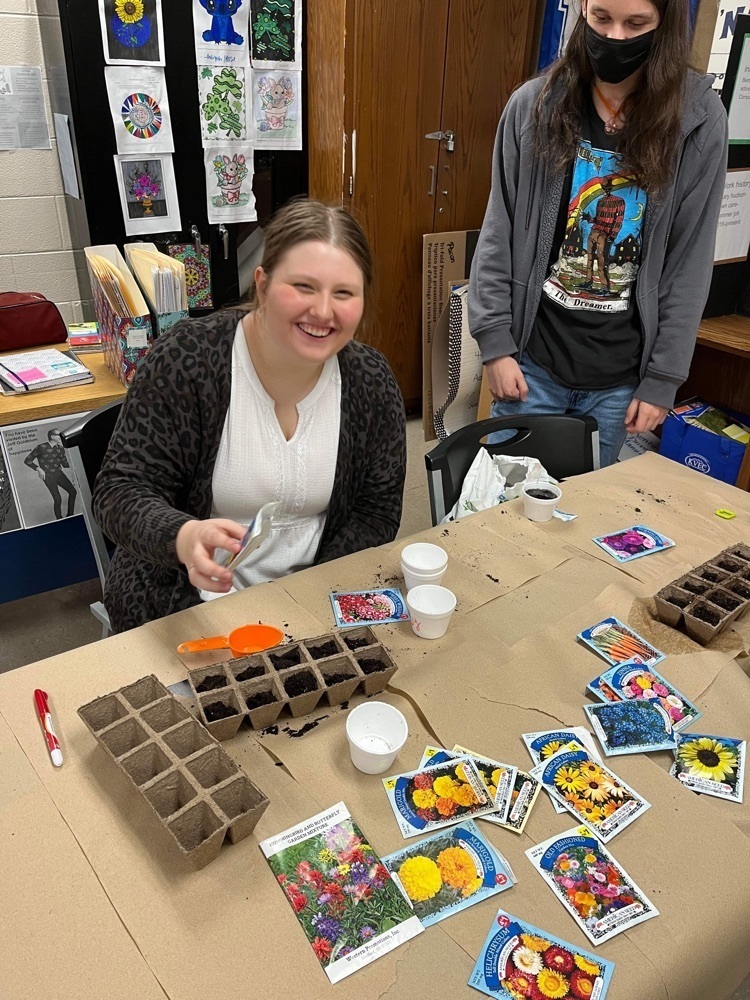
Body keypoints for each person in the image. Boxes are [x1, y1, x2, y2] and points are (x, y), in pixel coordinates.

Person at [93, 199, 406, 633]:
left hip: (313, 606)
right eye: (303, 286)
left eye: (344, 293)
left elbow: (377, 514)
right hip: (186, 606)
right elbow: (119, 492)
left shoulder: (370, 381)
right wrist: (181, 538)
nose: (322, 311)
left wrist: (309, 601)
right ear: (262, 285)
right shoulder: (189, 359)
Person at [469, 0, 728, 466]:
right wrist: (495, 345)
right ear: (582, 9)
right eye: (602, 18)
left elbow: (690, 260)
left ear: (664, 24)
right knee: (502, 513)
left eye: (636, 24)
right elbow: (498, 231)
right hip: (532, 363)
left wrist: (663, 378)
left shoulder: (699, 118)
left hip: (620, 380)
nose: (616, 37)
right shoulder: (533, 106)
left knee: (583, 520)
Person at [24, 428, 77, 519]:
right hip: (48, 476)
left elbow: (64, 464)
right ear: (52, 437)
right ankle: (59, 519)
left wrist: (76, 464)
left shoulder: (60, 448)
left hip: (59, 474)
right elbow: (27, 460)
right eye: (59, 435)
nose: (61, 436)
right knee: (58, 499)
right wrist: (38, 469)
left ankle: (70, 514)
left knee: (73, 492)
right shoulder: (41, 447)